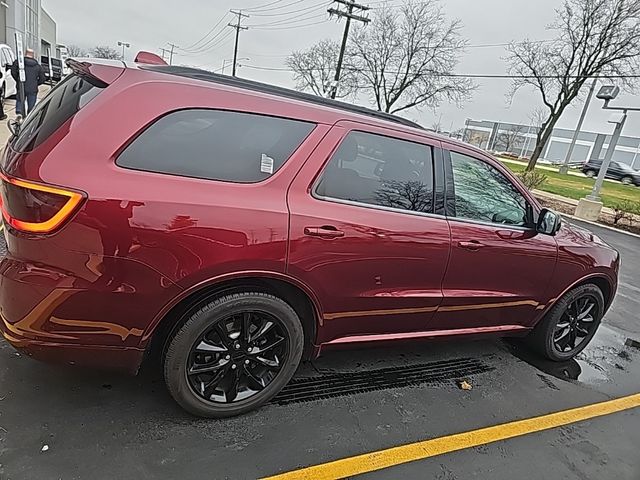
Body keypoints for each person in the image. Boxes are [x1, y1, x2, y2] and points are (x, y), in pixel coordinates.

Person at [11, 48, 45, 117]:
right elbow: (42, 79)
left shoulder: (18, 63)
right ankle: (29, 116)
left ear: (25, 53)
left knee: (20, 100)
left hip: (21, 86)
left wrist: (18, 80)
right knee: (31, 106)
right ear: (33, 55)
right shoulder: (38, 66)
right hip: (33, 88)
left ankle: (19, 114)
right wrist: (36, 83)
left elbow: (13, 72)